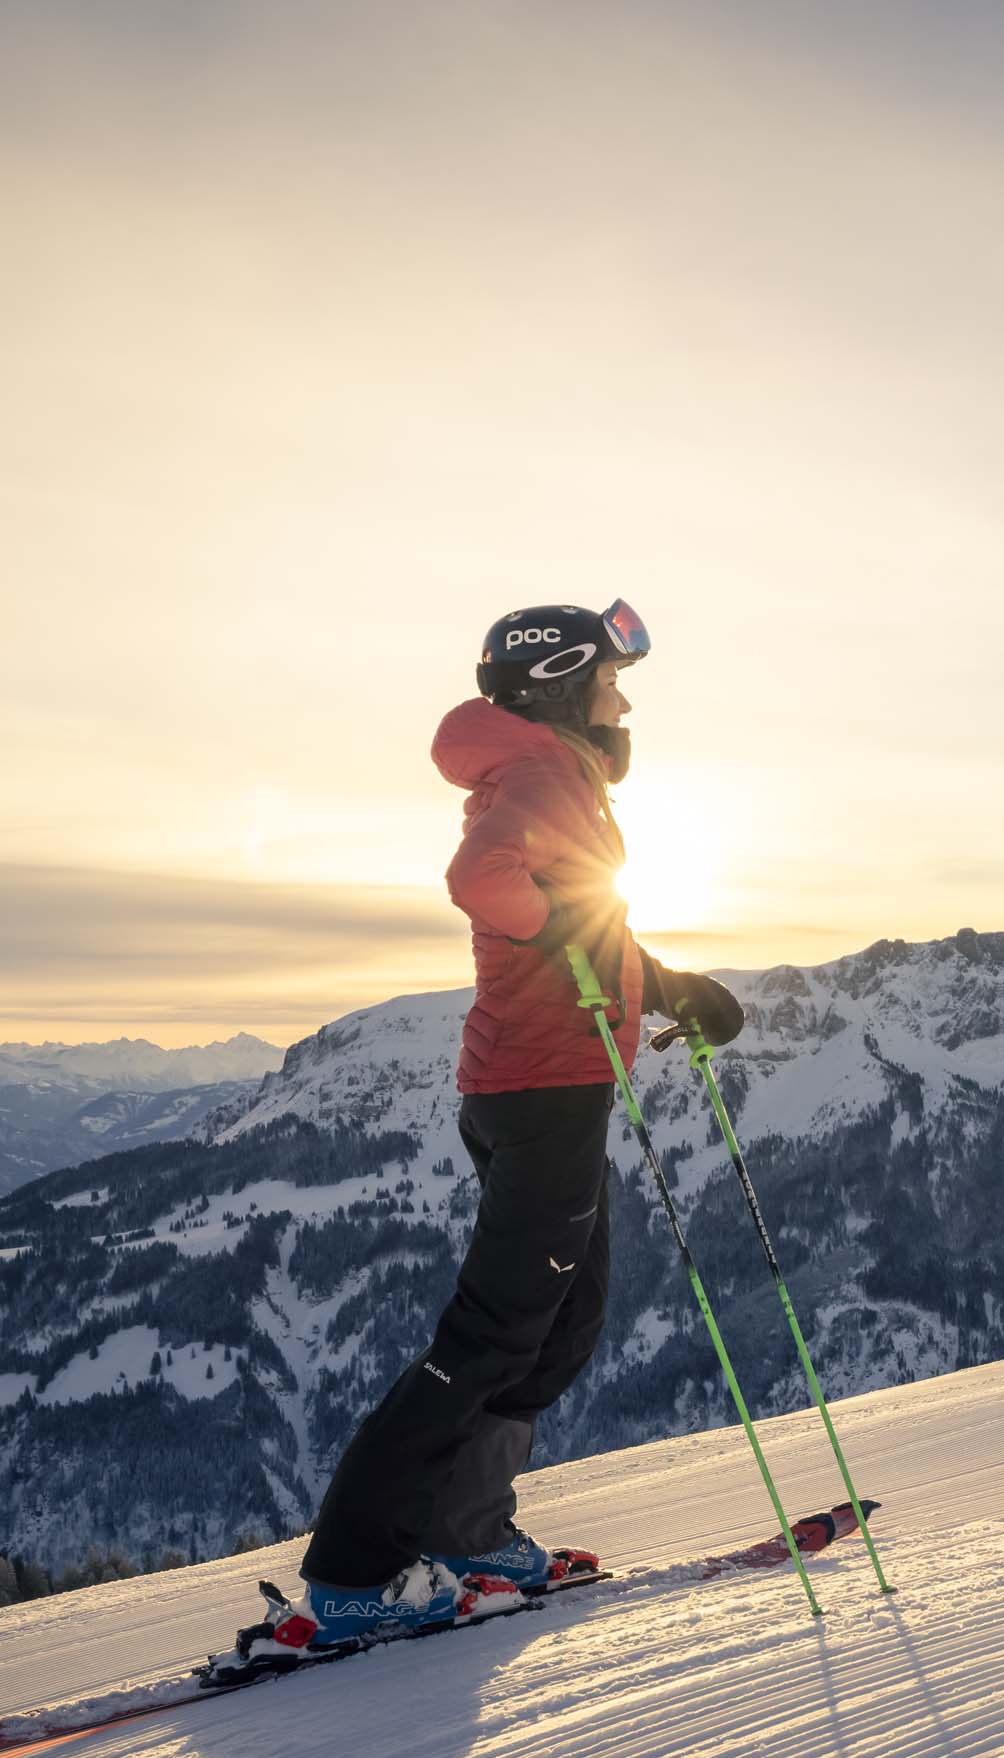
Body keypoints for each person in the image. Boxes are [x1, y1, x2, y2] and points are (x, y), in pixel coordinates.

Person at [251, 599, 747, 1656]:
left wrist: (669, 985)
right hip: (537, 1096)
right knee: (488, 1338)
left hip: (548, 1089)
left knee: (561, 1324)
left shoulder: (550, 775)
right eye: (610, 679)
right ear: (565, 683)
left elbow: (583, 927)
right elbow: (483, 882)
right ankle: (351, 1572)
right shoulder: (534, 775)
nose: (623, 699)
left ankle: (469, 1531)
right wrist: (575, 926)